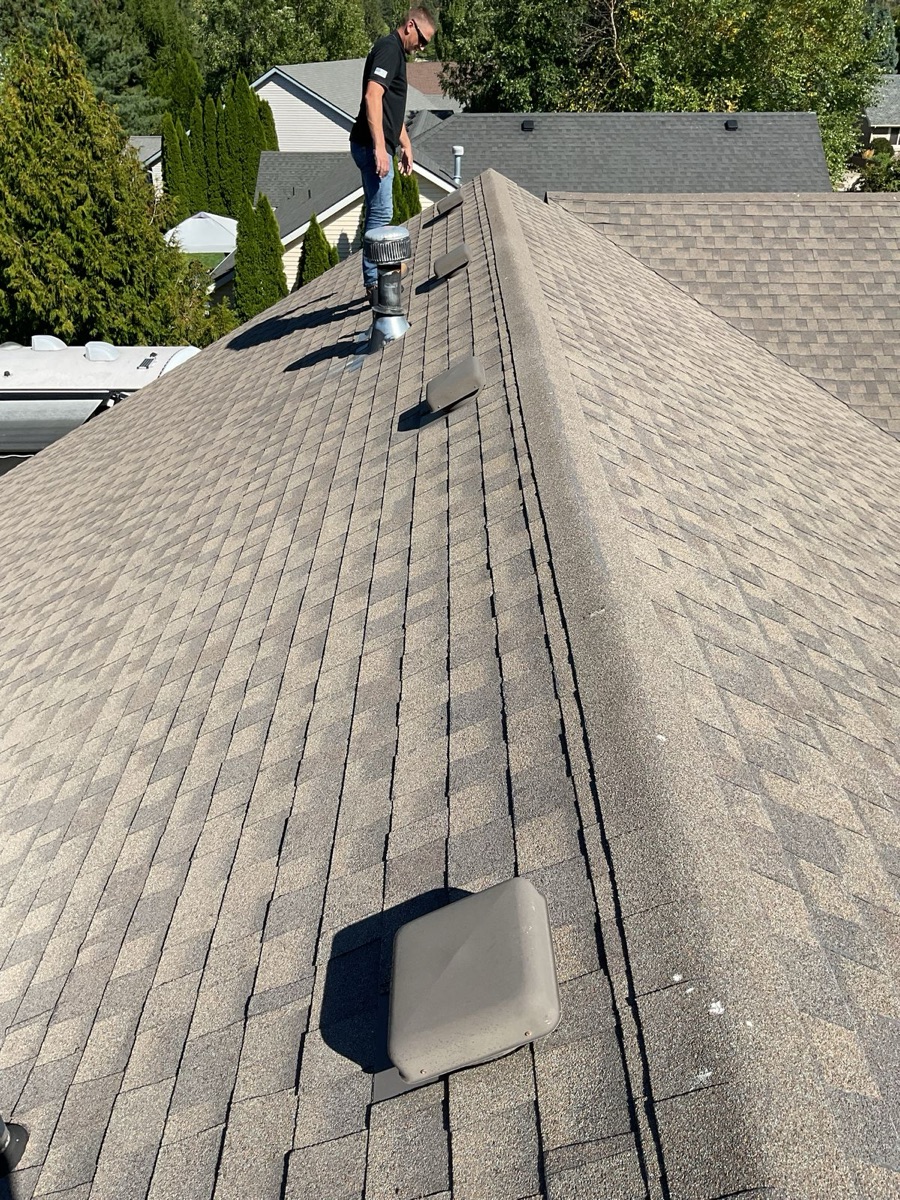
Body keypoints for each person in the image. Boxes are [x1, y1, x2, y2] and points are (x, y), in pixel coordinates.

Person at [350, 7, 436, 305]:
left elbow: (390, 111)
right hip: (370, 144)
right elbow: (373, 96)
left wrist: (406, 144)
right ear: (410, 25)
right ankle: (374, 282)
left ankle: (380, 271)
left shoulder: (396, 54)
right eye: (422, 40)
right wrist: (379, 147)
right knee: (381, 213)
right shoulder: (389, 49)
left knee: (380, 210)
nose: (422, 47)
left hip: (379, 143)